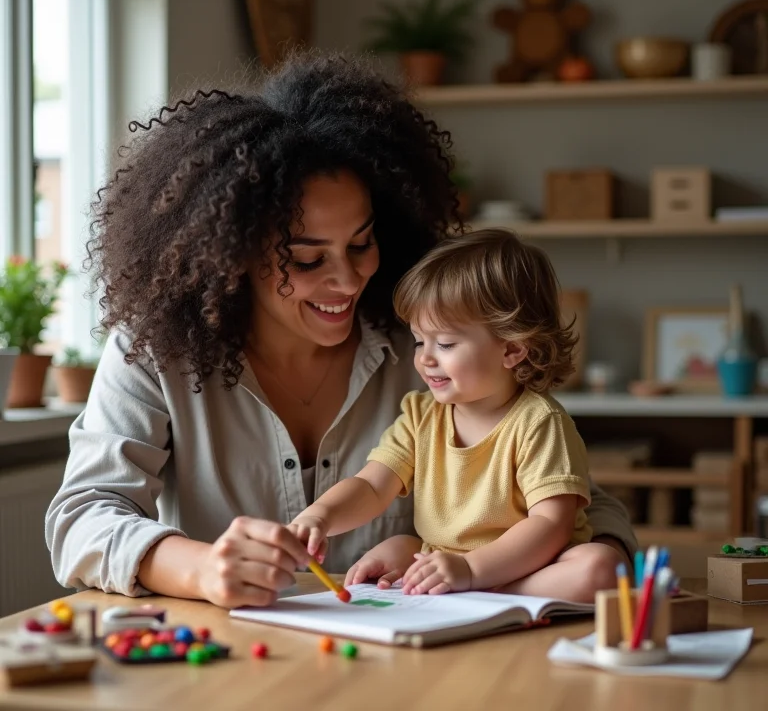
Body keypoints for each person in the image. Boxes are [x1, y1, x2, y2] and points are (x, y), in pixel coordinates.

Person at [45, 52, 636, 609]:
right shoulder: (157, 353)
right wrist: (198, 568)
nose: (349, 279)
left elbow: (575, 499)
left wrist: (574, 569)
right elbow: (82, 518)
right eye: (306, 259)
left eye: (361, 243)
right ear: (231, 253)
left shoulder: (431, 341)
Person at [289, 229, 614, 602]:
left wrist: (473, 570)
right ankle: (457, 586)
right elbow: (372, 486)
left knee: (598, 567)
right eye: (418, 341)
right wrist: (320, 516)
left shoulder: (540, 422)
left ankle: (490, 591)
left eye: (444, 343)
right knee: (395, 546)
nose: (426, 358)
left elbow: (550, 525)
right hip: (446, 562)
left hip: (530, 566)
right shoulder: (421, 413)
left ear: (511, 350)